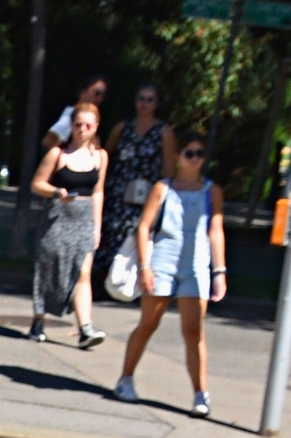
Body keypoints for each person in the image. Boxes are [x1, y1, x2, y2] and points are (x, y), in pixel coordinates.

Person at [114, 132, 227, 418]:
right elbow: (144, 227)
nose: (194, 159)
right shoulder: (163, 188)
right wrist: (145, 267)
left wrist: (220, 272)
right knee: (148, 323)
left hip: (196, 266)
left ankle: (200, 395)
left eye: (199, 154)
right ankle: (125, 378)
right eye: (189, 153)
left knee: (193, 332)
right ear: (178, 157)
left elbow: (216, 231)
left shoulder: (211, 191)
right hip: (162, 261)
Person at [29, 101, 106, 346]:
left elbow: (98, 192)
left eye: (87, 125)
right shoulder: (58, 153)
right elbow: (37, 184)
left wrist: (97, 226)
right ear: (71, 126)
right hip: (58, 218)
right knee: (50, 270)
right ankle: (39, 319)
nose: (82, 129)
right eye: (78, 124)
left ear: (95, 127)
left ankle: (85, 329)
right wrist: (56, 192)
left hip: (84, 218)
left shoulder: (100, 156)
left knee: (83, 273)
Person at [101, 82, 178, 283]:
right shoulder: (122, 127)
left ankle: (130, 281)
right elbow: (106, 155)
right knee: (112, 232)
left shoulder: (163, 132)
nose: (145, 104)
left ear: (156, 104)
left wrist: (168, 196)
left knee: (137, 235)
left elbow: (169, 166)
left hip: (146, 194)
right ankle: (106, 280)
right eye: (141, 99)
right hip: (119, 191)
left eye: (149, 99)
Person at [42, 74, 109, 152]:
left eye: (103, 96)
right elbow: (48, 142)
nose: (100, 98)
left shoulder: (92, 117)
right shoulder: (71, 114)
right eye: (97, 93)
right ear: (82, 92)